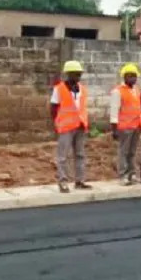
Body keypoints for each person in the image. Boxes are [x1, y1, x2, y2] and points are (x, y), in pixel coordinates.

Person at [50, 60, 92, 193]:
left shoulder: (83, 89)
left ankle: (80, 180)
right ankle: (63, 182)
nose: (78, 77)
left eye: (79, 74)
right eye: (76, 74)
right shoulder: (59, 89)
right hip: (66, 126)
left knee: (80, 154)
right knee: (63, 156)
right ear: (68, 74)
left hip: (80, 125)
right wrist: (57, 122)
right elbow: (53, 108)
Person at [110, 63, 141, 185]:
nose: (134, 78)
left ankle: (132, 174)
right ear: (125, 76)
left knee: (132, 152)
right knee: (123, 152)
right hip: (124, 127)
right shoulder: (117, 91)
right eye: (131, 76)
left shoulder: (136, 90)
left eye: (135, 76)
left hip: (135, 126)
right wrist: (114, 129)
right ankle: (122, 175)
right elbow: (114, 111)